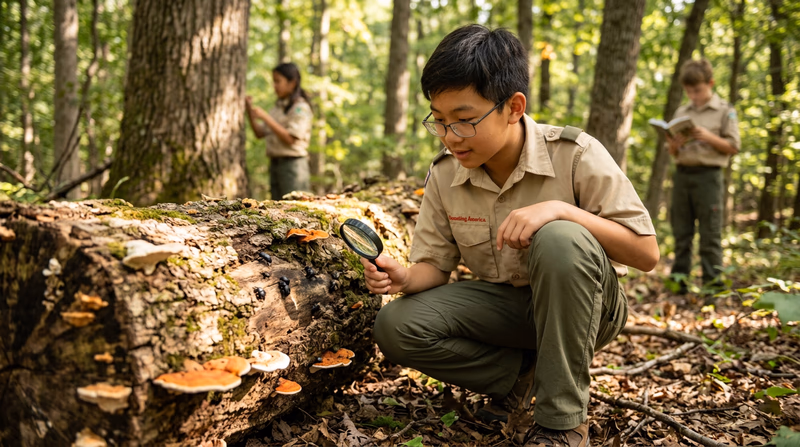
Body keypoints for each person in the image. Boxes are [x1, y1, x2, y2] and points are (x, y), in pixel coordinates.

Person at [357, 25, 659, 447]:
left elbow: (646, 253)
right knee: (396, 324)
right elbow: (435, 267)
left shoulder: (575, 155)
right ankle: (521, 376)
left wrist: (560, 210)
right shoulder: (446, 174)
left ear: (514, 107)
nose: (449, 136)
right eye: (439, 121)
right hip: (510, 310)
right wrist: (404, 279)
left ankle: (563, 423)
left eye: (464, 121)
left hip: (590, 309)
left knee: (559, 237)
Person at [667, 58, 740, 294]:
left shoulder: (725, 111)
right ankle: (679, 286)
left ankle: (713, 289)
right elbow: (673, 152)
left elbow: (733, 146)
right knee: (681, 232)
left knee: (709, 235)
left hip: (709, 177)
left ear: (710, 83)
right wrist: (674, 145)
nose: (693, 95)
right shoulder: (682, 111)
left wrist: (707, 136)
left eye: (697, 90)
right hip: (682, 175)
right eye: (689, 91)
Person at [245, 62, 313, 200]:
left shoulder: (300, 108)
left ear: (292, 83)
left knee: (295, 207)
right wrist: (250, 113)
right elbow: (259, 133)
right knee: (278, 209)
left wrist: (265, 117)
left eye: (278, 81)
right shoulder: (278, 108)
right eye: (273, 81)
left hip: (293, 166)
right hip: (275, 164)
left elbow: (290, 139)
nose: (275, 86)